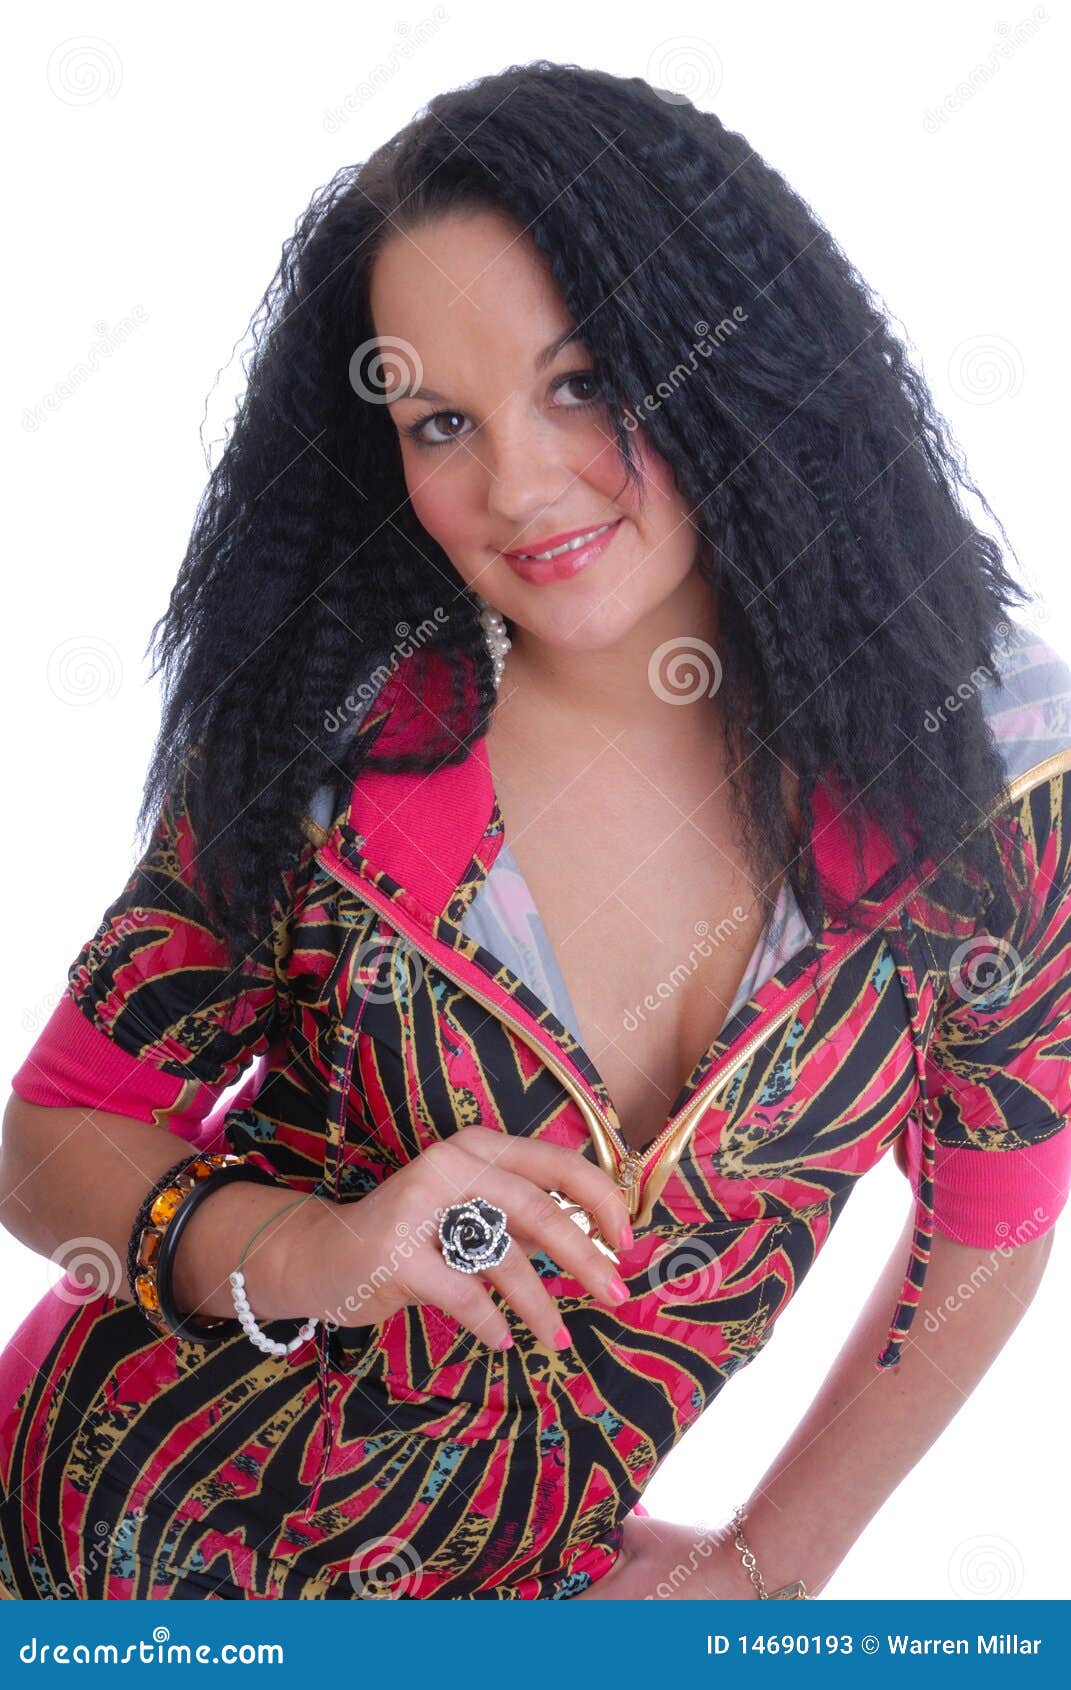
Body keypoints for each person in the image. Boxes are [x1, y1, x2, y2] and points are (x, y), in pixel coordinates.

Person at [1, 61, 1069, 1602]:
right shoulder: (347, 741)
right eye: (441, 422)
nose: (516, 481)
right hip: (87, 1552)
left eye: (581, 383)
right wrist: (319, 1250)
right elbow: (52, 1137)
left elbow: (993, 1225)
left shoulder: (995, 777)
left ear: (737, 358)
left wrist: (770, 1564)